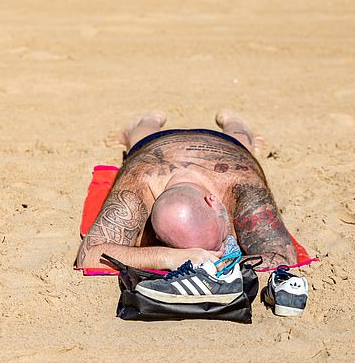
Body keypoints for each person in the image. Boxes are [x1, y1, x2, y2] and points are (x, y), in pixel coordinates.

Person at [77, 110, 298, 271]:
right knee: (138, 137)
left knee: (241, 138)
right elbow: (89, 255)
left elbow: (284, 256)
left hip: (225, 147)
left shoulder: (240, 185)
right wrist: (169, 257)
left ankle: (234, 121)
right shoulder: (139, 188)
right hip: (155, 148)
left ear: (212, 201)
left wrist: (211, 260)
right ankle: (148, 119)